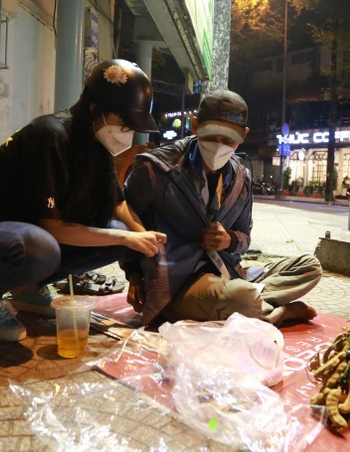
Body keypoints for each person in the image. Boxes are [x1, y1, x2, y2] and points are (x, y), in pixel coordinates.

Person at [0, 59, 167, 342]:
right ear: (94, 107)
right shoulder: (51, 135)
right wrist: (125, 241)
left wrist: (146, 239)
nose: (127, 134)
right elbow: (53, 229)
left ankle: (27, 289)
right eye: (123, 123)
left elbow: (117, 204)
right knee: (43, 245)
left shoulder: (97, 145)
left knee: (118, 233)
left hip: (26, 237)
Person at [122, 89, 322, 327]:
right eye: (211, 136)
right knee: (243, 297)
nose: (219, 146)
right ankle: (273, 311)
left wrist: (229, 240)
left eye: (228, 140)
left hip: (227, 270)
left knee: (310, 266)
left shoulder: (242, 177)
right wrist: (134, 276)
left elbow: (245, 238)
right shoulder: (156, 170)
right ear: (195, 126)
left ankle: (251, 302)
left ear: (244, 135)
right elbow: (127, 221)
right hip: (176, 281)